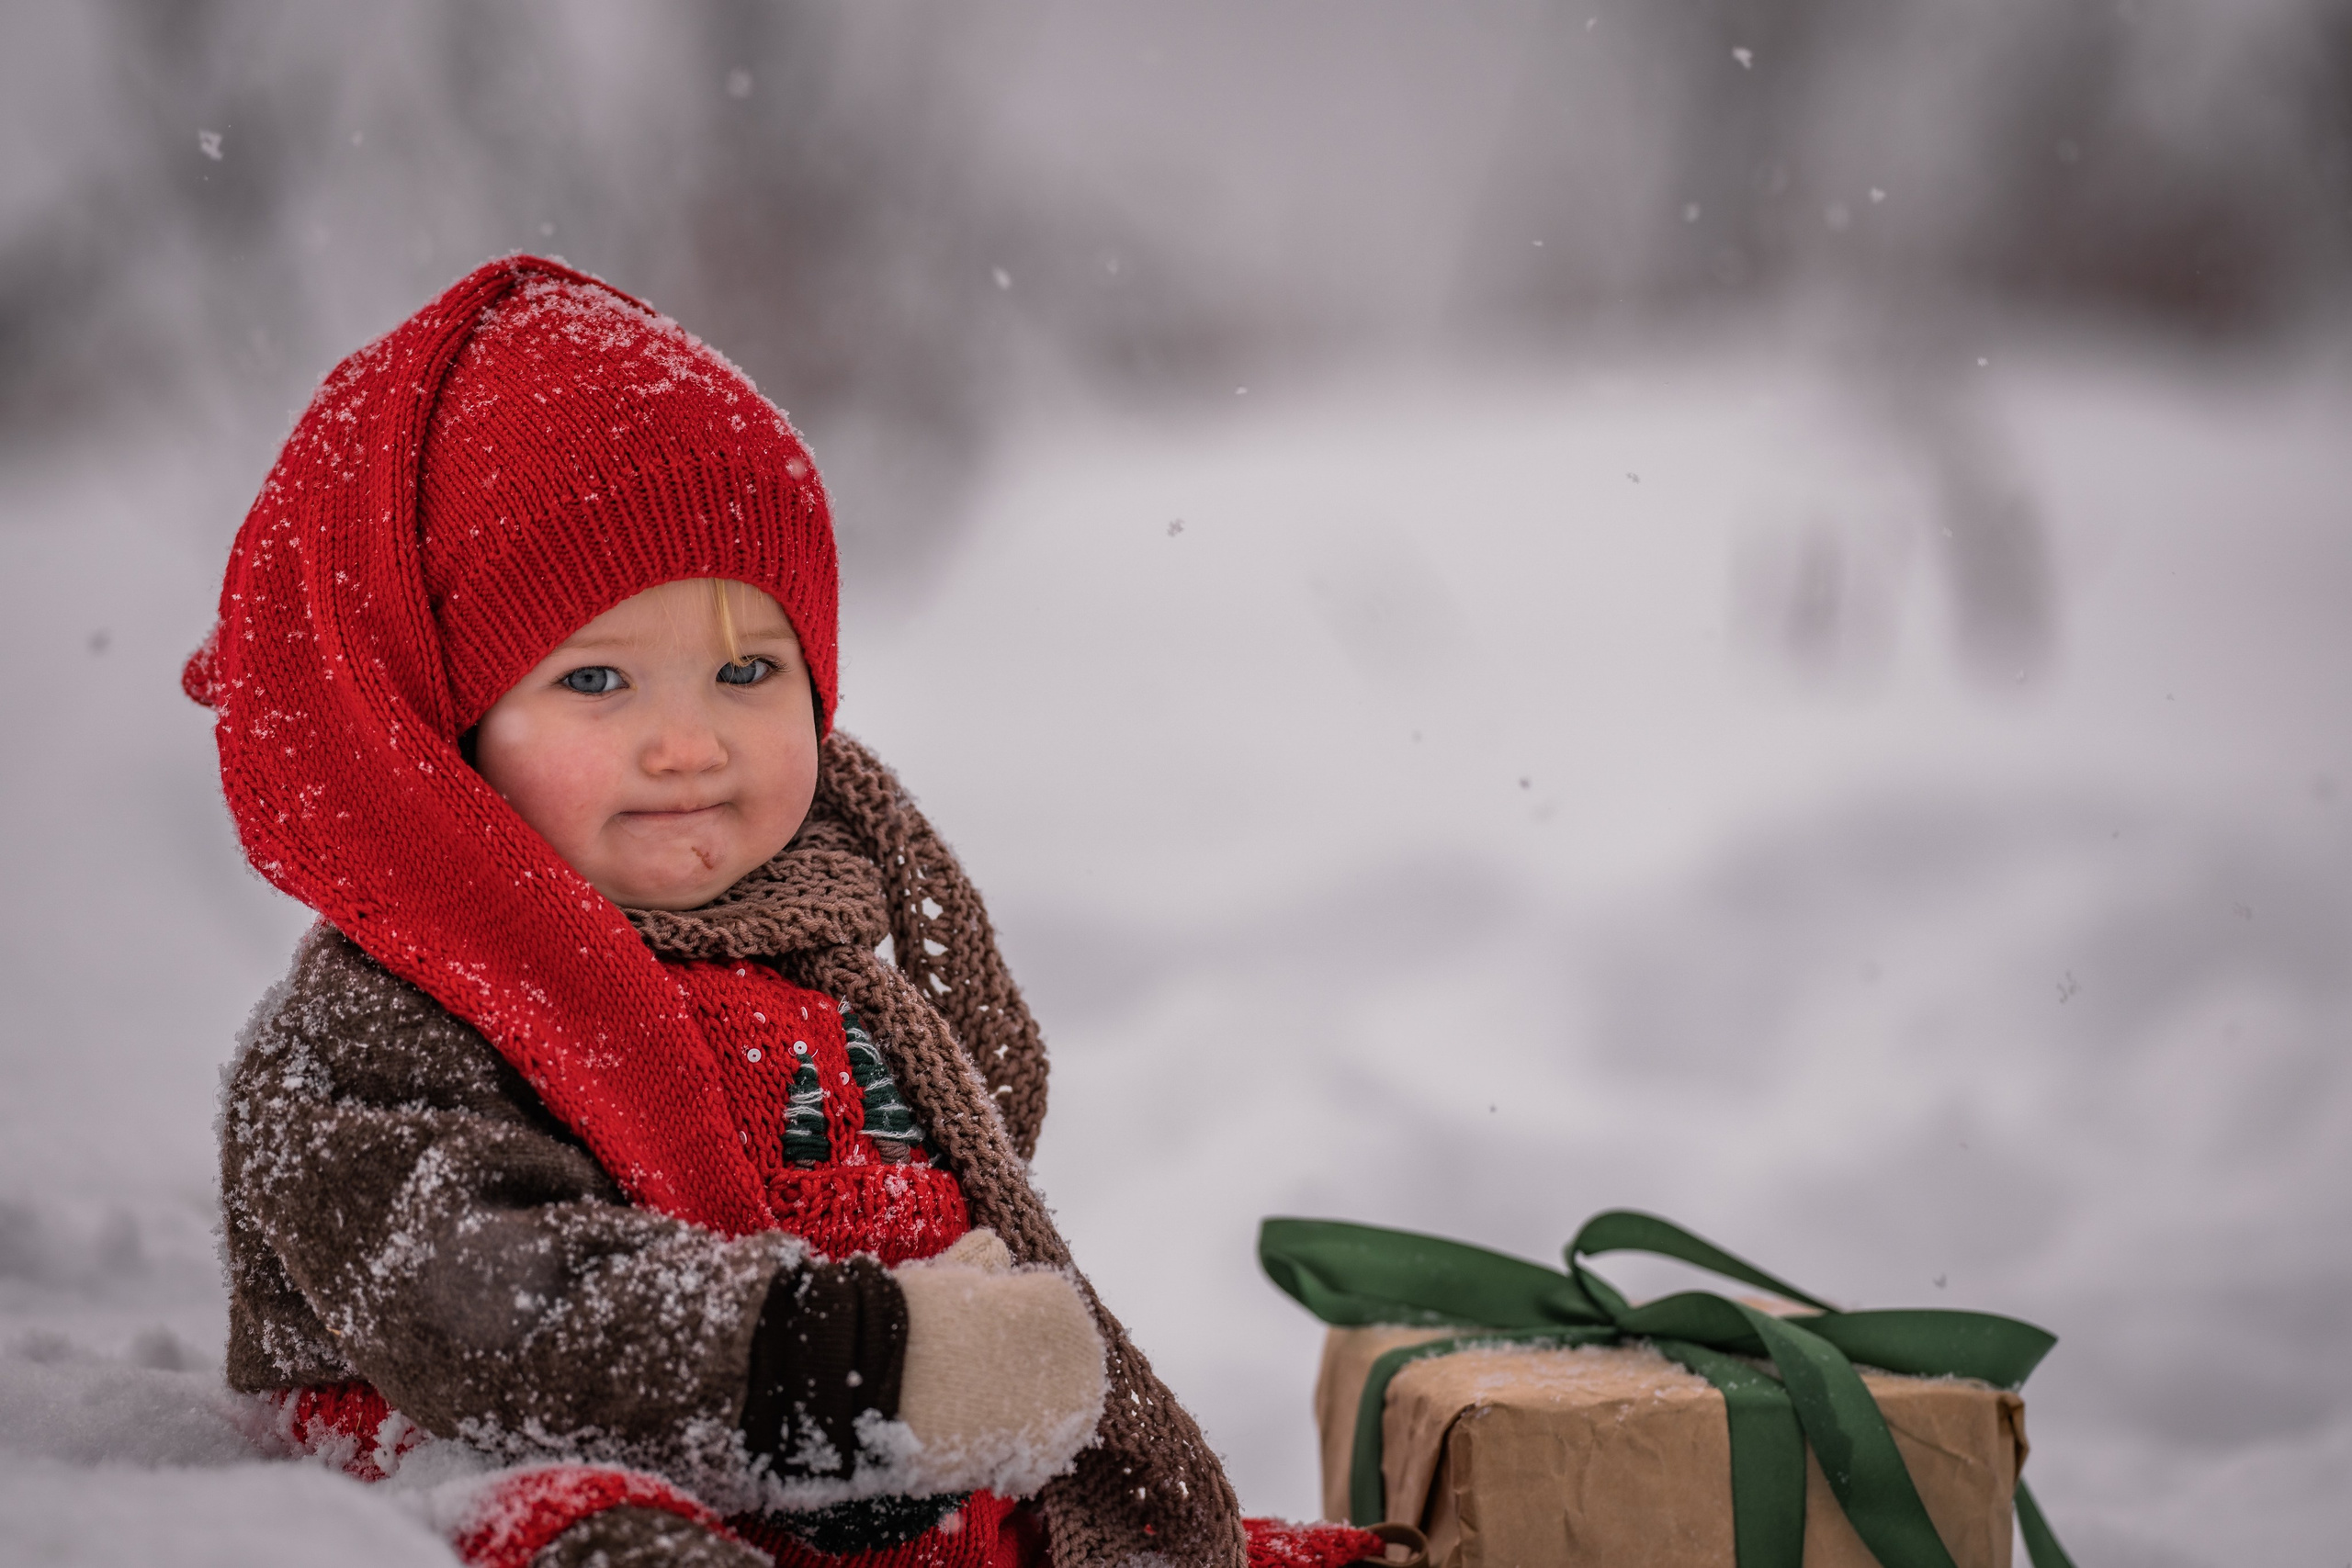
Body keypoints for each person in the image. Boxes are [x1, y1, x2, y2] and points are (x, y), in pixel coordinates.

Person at [188, 255, 1292, 1568]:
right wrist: (863, 1369)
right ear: (443, 730)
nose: (688, 743)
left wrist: (953, 1389)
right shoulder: (376, 1025)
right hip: (510, 1490)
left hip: (867, 1496)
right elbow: (487, 1312)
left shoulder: (829, 959)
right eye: (598, 678)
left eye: (745, 671)